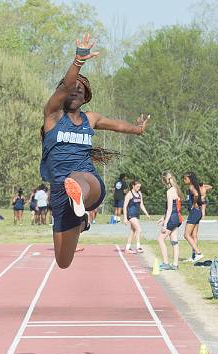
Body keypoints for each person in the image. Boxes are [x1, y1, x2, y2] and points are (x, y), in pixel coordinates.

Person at [40, 33, 149, 268]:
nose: (75, 91)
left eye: (81, 89)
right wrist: (78, 60)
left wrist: (138, 130)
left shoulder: (90, 119)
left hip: (88, 181)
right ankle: (82, 221)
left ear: (86, 96)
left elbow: (118, 125)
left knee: (76, 178)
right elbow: (64, 85)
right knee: (63, 261)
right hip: (60, 193)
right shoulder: (52, 115)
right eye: (72, 88)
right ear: (64, 92)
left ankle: (78, 196)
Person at [157, 171, 184, 270]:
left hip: (172, 217)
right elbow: (174, 207)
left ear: (164, 181)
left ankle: (165, 262)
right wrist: (163, 218)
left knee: (160, 239)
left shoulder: (169, 191)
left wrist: (165, 224)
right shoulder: (176, 189)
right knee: (174, 241)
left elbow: (169, 209)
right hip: (177, 217)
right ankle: (175, 264)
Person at [123, 180, 150, 253]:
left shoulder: (139, 193)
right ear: (133, 186)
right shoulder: (129, 194)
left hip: (136, 214)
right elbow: (124, 207)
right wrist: (125, 218)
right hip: (131, 215)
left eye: (139, 187)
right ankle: (138, 247)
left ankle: (127, 248)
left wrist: (146, 213)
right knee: (139, 229)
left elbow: (141, 205)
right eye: (137, 187)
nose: (138, 188)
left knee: (133, 231)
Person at [182, 172, 204, 262]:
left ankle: (199, 253)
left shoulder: (192, 187)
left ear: (190, 179)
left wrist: (194, 203)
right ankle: (194, 256)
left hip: (194, 212)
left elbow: (196, 195)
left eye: (185, 179)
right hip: (198, 212)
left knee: (186, 235)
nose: (184, 180)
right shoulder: (196, 186)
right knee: (194, 235)